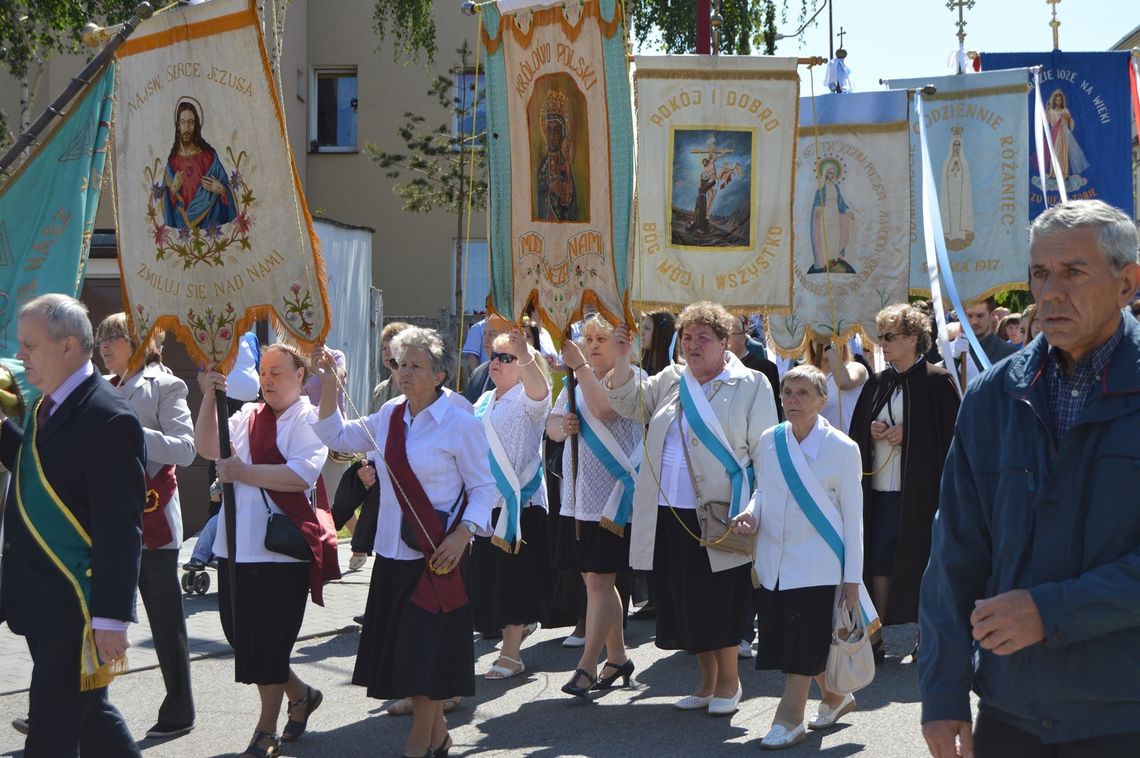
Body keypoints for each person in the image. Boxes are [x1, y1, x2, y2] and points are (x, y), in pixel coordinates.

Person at [919, 200, 1140, 757]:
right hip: (1010, 716)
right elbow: (954, 554)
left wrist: (1052, 611)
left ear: (1127, 283)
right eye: (1040, 273)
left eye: (1074, 271)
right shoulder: (994, 395)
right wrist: (942, 692)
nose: (1050, 292)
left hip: (1124, 715)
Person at [311, 327, 496, 758]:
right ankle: (439, 736)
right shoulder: (390, 414)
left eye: (415, 366)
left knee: (422, 655)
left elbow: (485, 488)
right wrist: (326, 382)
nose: (404, 373)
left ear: (440, 374)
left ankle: (418, 744)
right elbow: (334, 435)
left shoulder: (460, 422)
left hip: (438, 556)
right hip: (394, 553)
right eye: (400, 364)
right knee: (409, 655)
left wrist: (463, 535)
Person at [606, 301, 778, 716]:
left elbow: (766, 451)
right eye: (687, 337)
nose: (694, 344)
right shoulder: (670, 379)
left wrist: (757, 506)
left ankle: (730, 684)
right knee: (685, 602)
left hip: (724, 511)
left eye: (704, 337)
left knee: (720, 602)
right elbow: (628, 404)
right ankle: (705, 684)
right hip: (671, 511)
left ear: (725, 342)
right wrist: (622, 358)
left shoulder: (751, 383)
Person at [0, 294, 146, 757]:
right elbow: (43, 470)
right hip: (43, 597)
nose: (20, 356)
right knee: (93, 721)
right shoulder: (52, 403)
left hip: (77, 608)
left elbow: (120, 528)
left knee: (50, 734)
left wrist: (110, 617)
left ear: (67, 347)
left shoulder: (108, 417)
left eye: (28, 345)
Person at [195, 343, 335, 758]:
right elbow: (207, 447)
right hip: (236, 545)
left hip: (281, 550)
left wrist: (243, 473)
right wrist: (208, 396)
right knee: (244, 639)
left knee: (270, 644)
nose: (268, 380)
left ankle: (265, 731)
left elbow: (299, 474)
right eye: (264, 372)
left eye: (278, 372)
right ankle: (302, 694)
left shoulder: (309, 419)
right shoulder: (246, 415)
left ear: (300, 376)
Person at [745, 364, 874, 749]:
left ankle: (790, 719)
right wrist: (751, 513)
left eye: (802, 393)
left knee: (801, 642)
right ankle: (835, 697)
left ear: (822, 400)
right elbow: (763, 491)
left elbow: (854, 520)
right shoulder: (770, 439)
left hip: (819, 566)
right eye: (787, 393)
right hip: (774, 561)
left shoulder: (843, 448)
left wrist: (852, 578)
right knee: (792, 637)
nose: (792, 400)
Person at [95, 314, 198, 739]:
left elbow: (187, 449)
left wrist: (130, 431)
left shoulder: (166, 384)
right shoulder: (101, 385)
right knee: (96, 615)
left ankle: (180, 706)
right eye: (100, 338)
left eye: (112, 337)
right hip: (107, 518)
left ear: (139, 342)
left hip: (153, 520)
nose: (103, 345)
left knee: (163, 618)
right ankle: (80, 704)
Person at [848, 305, 959, 661]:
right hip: (879, 491)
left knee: (923, 562)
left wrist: (910, 434)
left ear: (913, 338)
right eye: (880, 336)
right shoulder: (877, 383)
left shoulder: (937, 380)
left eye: (890, 337)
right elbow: (855, 434)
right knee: (879, 562)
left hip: (921, 495)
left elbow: (955, 438)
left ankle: (928, 635)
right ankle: (876, 638)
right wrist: (871, 431)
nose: (882, 343)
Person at [547, 315, 642, 696]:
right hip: (580, 498)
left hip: (615, 497)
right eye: (588, 338)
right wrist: (562, 426)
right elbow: (552, 426)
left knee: (602, 579)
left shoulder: (630, 376)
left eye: (601, 337)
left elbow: (605, 409)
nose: (593, 345)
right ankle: (618, 656)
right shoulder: (575, 378)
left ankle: (587, 665)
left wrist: (581, 367)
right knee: (593, 579)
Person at [470, 329, 552, 680]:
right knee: (490, 578)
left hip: (521, 503)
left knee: (514, 579)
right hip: (487, 504)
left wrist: (525, 353)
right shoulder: (482, 401)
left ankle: (511, 653)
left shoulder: (528, 397)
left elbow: (540, 391)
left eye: (507, 358)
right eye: (495, 356)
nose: (497, 362)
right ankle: (514, 633)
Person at [162, 99, 237, 230]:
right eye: (183, 122)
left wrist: (222, 190)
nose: (186, 128)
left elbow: (227, 190)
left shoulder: (209, 157)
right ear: (178, 125)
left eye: (190, 123)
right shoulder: (172, 162)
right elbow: (163, 204)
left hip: (209, 229)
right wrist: (172, 191)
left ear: (196, 125)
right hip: (183, 233)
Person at [805, 338, 867, 435]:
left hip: (849, 443)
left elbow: (844, 383)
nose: (823, 341)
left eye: (832, 337)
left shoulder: (855, 368)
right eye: (817, 337)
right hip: (818, 445)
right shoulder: (805, 376)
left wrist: (830, 346)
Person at [728, 314, 783, 422]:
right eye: (719, 335)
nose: (723, 340)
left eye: (728, 334)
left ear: (743, 338)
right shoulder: (714, 370)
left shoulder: (763, 368)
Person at [536, 90, 579, 222]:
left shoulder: (565, 162)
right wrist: (550, 187)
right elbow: (538, 193)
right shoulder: (543, 165)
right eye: (549, 130)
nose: (553, 136)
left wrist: (567, 190)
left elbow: (571, 202)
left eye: (556, 131)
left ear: (562, 134)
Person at [962, 297, 1017, 371]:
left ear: (992, 315)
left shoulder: (1008, 352)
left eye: (980, 316)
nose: (974, 321)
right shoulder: (956, 349)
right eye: (970, 316)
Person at [370, 322, 412, 414]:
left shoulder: (414, 388)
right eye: (384, 348)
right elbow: (371, 425)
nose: (386, 353)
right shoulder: (379, 390)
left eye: (391, 347)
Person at [463, 318, 505, 405]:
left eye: (492, 335)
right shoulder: (477, 373)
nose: (485, 340)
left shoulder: (513, 371)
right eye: (484, 334)